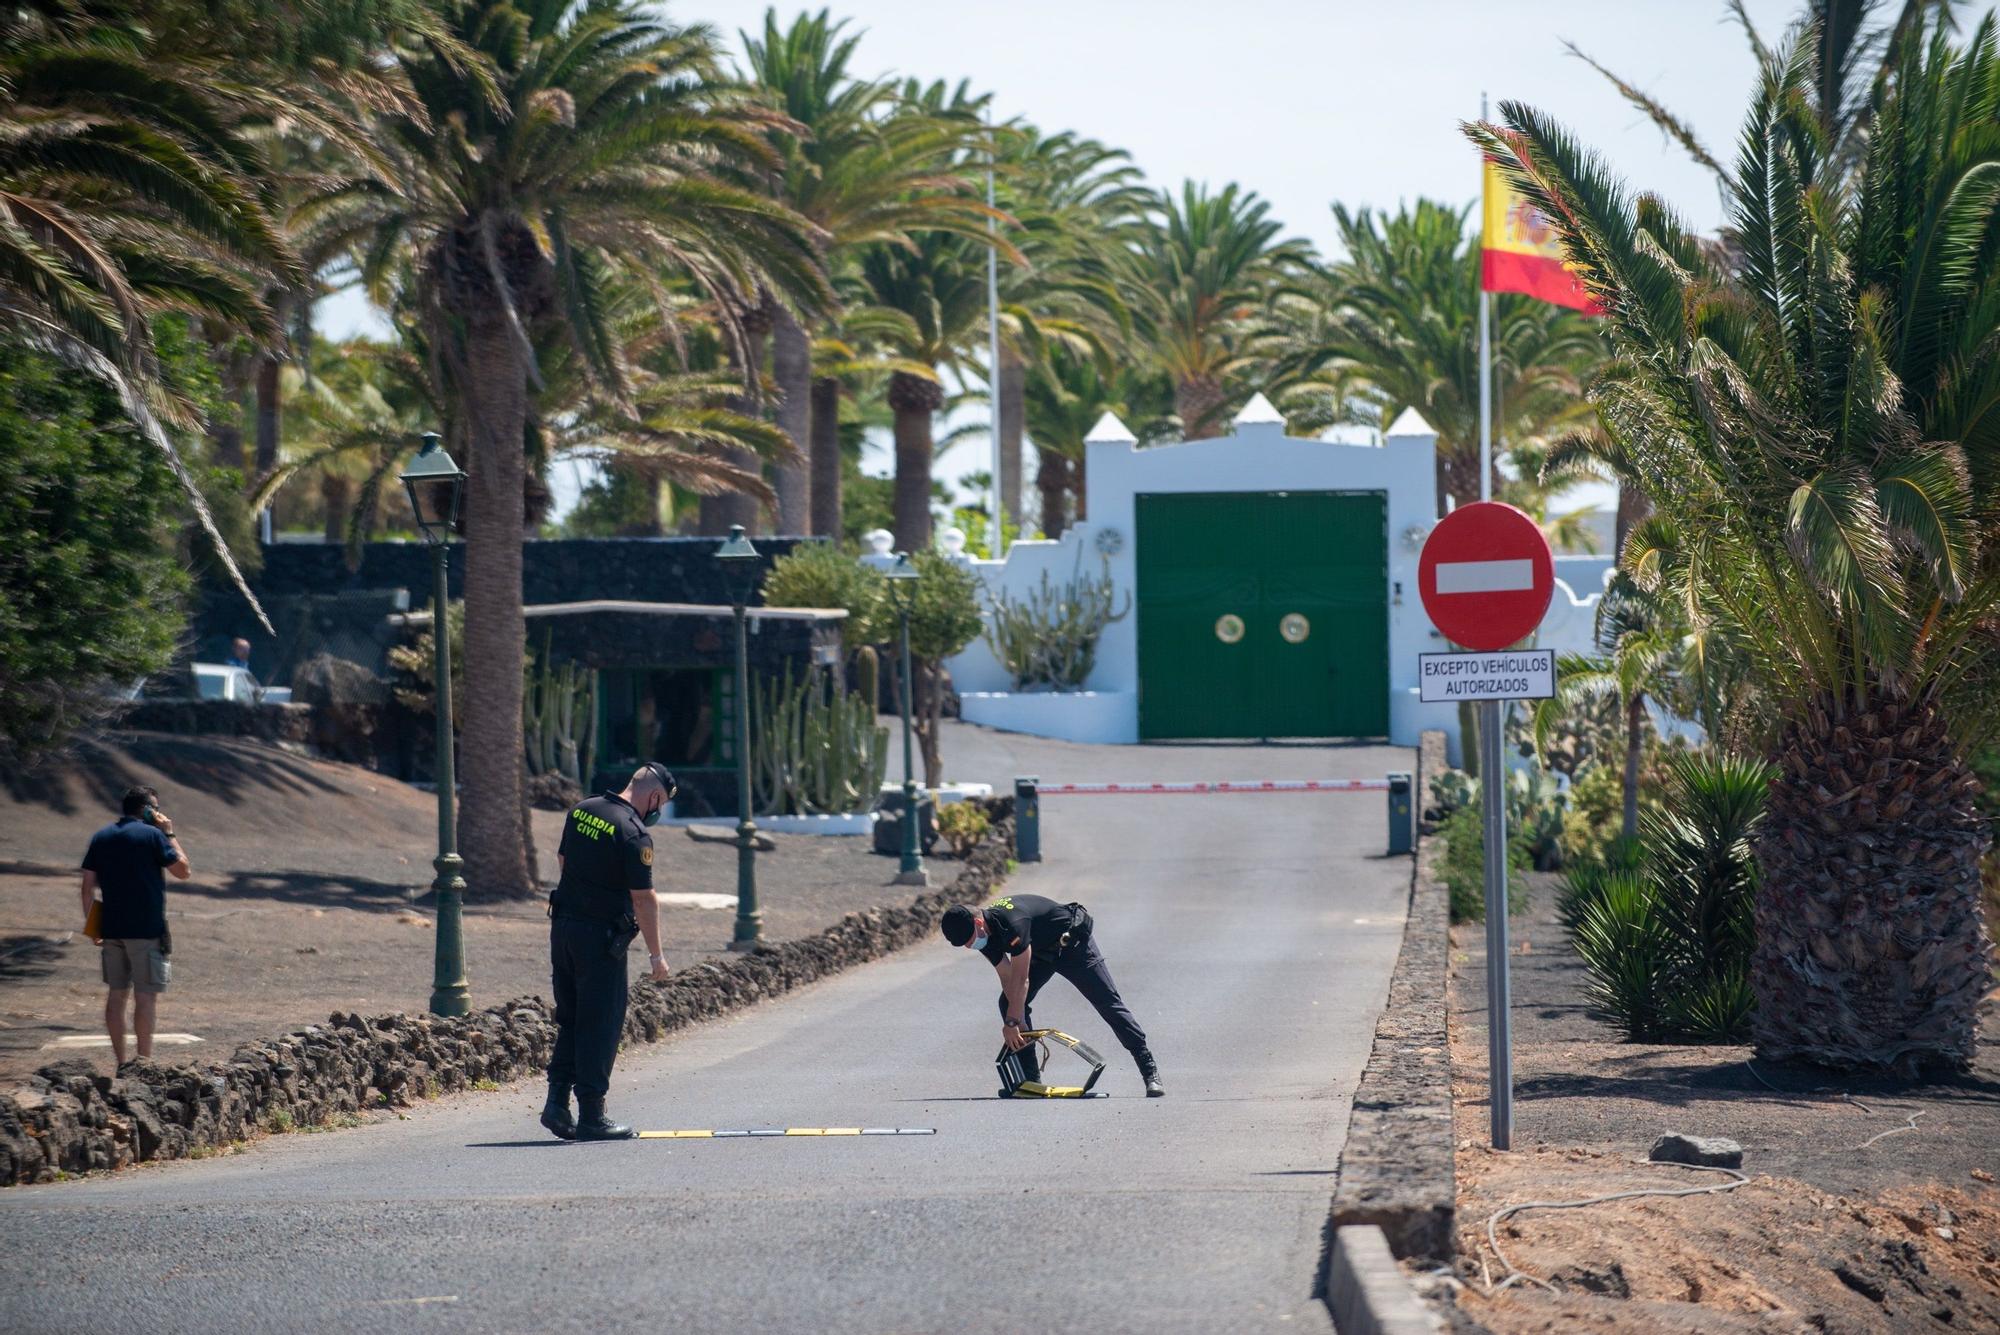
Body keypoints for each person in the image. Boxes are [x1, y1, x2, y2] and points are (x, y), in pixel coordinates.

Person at [541, 763, 674, 1140]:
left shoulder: (583, 809)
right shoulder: (635, 833)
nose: (657, 811)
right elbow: (644, 899)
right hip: (600, 940)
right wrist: (656, 955)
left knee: (571, 1018)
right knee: (600, 1025)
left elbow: (564, 860)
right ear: (653, 797)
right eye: (660, 803)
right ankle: (592, 1117)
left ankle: (555, 1104)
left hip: (563, 929)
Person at [941, 894, 1164, 1097]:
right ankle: (1030, 1081)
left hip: (1073, 945)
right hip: (1042, 952)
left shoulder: (1012, 923)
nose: (970, 946)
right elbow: (1007, 978)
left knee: (1108, 1004)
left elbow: (1021, 980)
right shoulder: (984, 936)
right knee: (1007, 1002)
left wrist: (1012, 1021)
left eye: (969, 940)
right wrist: (1015, 1019)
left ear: (978, 923)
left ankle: (1149, 1070)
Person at [80, 786, 192, 1069]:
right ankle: (143, 1063)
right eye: (156, 808)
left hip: (112, 929)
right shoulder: (153, 835)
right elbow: (183, 871)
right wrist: (169, 832)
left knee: (116, 995)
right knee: (145, 997)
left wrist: (93, 927)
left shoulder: (101, 836)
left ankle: (120, 1062)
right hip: (146, 930)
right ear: (147, 810)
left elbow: (87, 888)